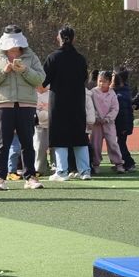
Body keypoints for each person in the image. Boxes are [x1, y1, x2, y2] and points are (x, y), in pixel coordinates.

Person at [0, 24, 46, 191]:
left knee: (27, 142)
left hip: (26, 104)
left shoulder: (31, 56)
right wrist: (3, 71)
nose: (14, 46)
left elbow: (40, 78)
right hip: (3, 104)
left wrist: (24, 70)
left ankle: (30, 177)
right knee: (3, 143)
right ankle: (0, 178)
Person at [42, 25, 93, 180]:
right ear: (73, 39)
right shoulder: (80, 58)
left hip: (58, 102)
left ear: (58, 38)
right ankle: (85, 171)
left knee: (60, 136)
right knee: (80, 136)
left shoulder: (53, 57)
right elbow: (84, 78)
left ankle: (62, 171)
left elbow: (43, 81)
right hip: (77, 101)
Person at [89, 70, 126, 173]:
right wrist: (96, 117)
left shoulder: (112, 93)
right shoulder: (92, 92)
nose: (101, 84)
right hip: (96, 124)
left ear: (109, 82)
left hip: (109, 124)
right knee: (95, 144)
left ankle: (118, 164)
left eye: (104, 81)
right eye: (100, 81)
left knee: (112, 143)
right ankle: (95, 164)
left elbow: (115, 108)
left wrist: (108, 118)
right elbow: (90, 107)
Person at [114, 69, 137, 172]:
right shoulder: (123, 91)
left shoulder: (120, 95)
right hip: (122, 124)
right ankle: (122, 162)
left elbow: (124, 113)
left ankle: (129, 163)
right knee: (119, 143)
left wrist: (124, 127)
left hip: (122, 124)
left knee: (120, 144)